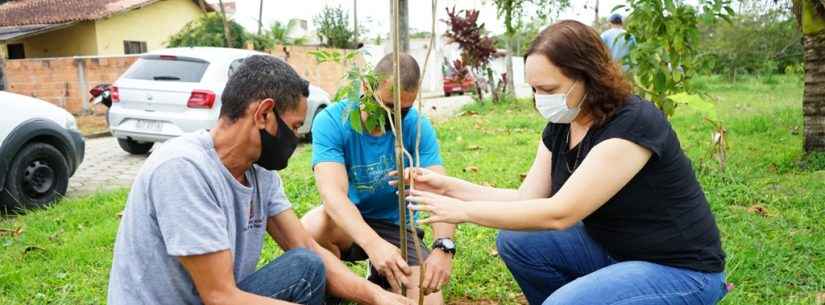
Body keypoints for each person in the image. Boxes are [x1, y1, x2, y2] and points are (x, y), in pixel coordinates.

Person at [401, 20, 728, 305]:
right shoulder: (562, 125)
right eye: (534, 88)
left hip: (680, 270)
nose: (539, 98)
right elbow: (526, 199)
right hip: (616, 251)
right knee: (517, 241)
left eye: (548, 88)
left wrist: (464, 213)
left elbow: (560, 213)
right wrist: (451, 187)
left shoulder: (632, 124)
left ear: (589, 77)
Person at [107, 55, 412, 305]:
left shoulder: (260, 172)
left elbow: (305, 244)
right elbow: (220, 296)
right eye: (293, 126)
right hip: (212, 299)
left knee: (306, 265)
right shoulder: (182, 169)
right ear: (264, 114)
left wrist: (377, 296)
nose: (295, 138)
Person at [302, 53, 454, 305]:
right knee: (312, 227)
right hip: (349, 222)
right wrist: (374, 245)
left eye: (404, 109)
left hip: (398, 228)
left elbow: (440, 190)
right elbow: (332, 195)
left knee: (427, 302)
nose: (395, 116)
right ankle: (335, 289)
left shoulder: (416, 126)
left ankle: (382, 275)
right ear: (366, 86)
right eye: (387, 105)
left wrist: (444, 246)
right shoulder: (332, 121)